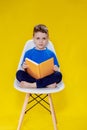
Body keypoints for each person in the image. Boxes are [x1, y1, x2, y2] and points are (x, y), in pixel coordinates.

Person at [16, 24, 62, 88]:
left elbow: (57, 69)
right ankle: (46, 85)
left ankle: (32, 85)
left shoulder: (51, 54)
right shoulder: (28, 53)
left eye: (44, 38)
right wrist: (23, 67)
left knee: (58, 75)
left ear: (47, 39)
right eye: (38, 38)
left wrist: (56, 69)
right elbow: (23, 69)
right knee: (19, 73)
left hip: (45, 77)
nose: (41, 41)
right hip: (33, 77)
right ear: (33, 39)